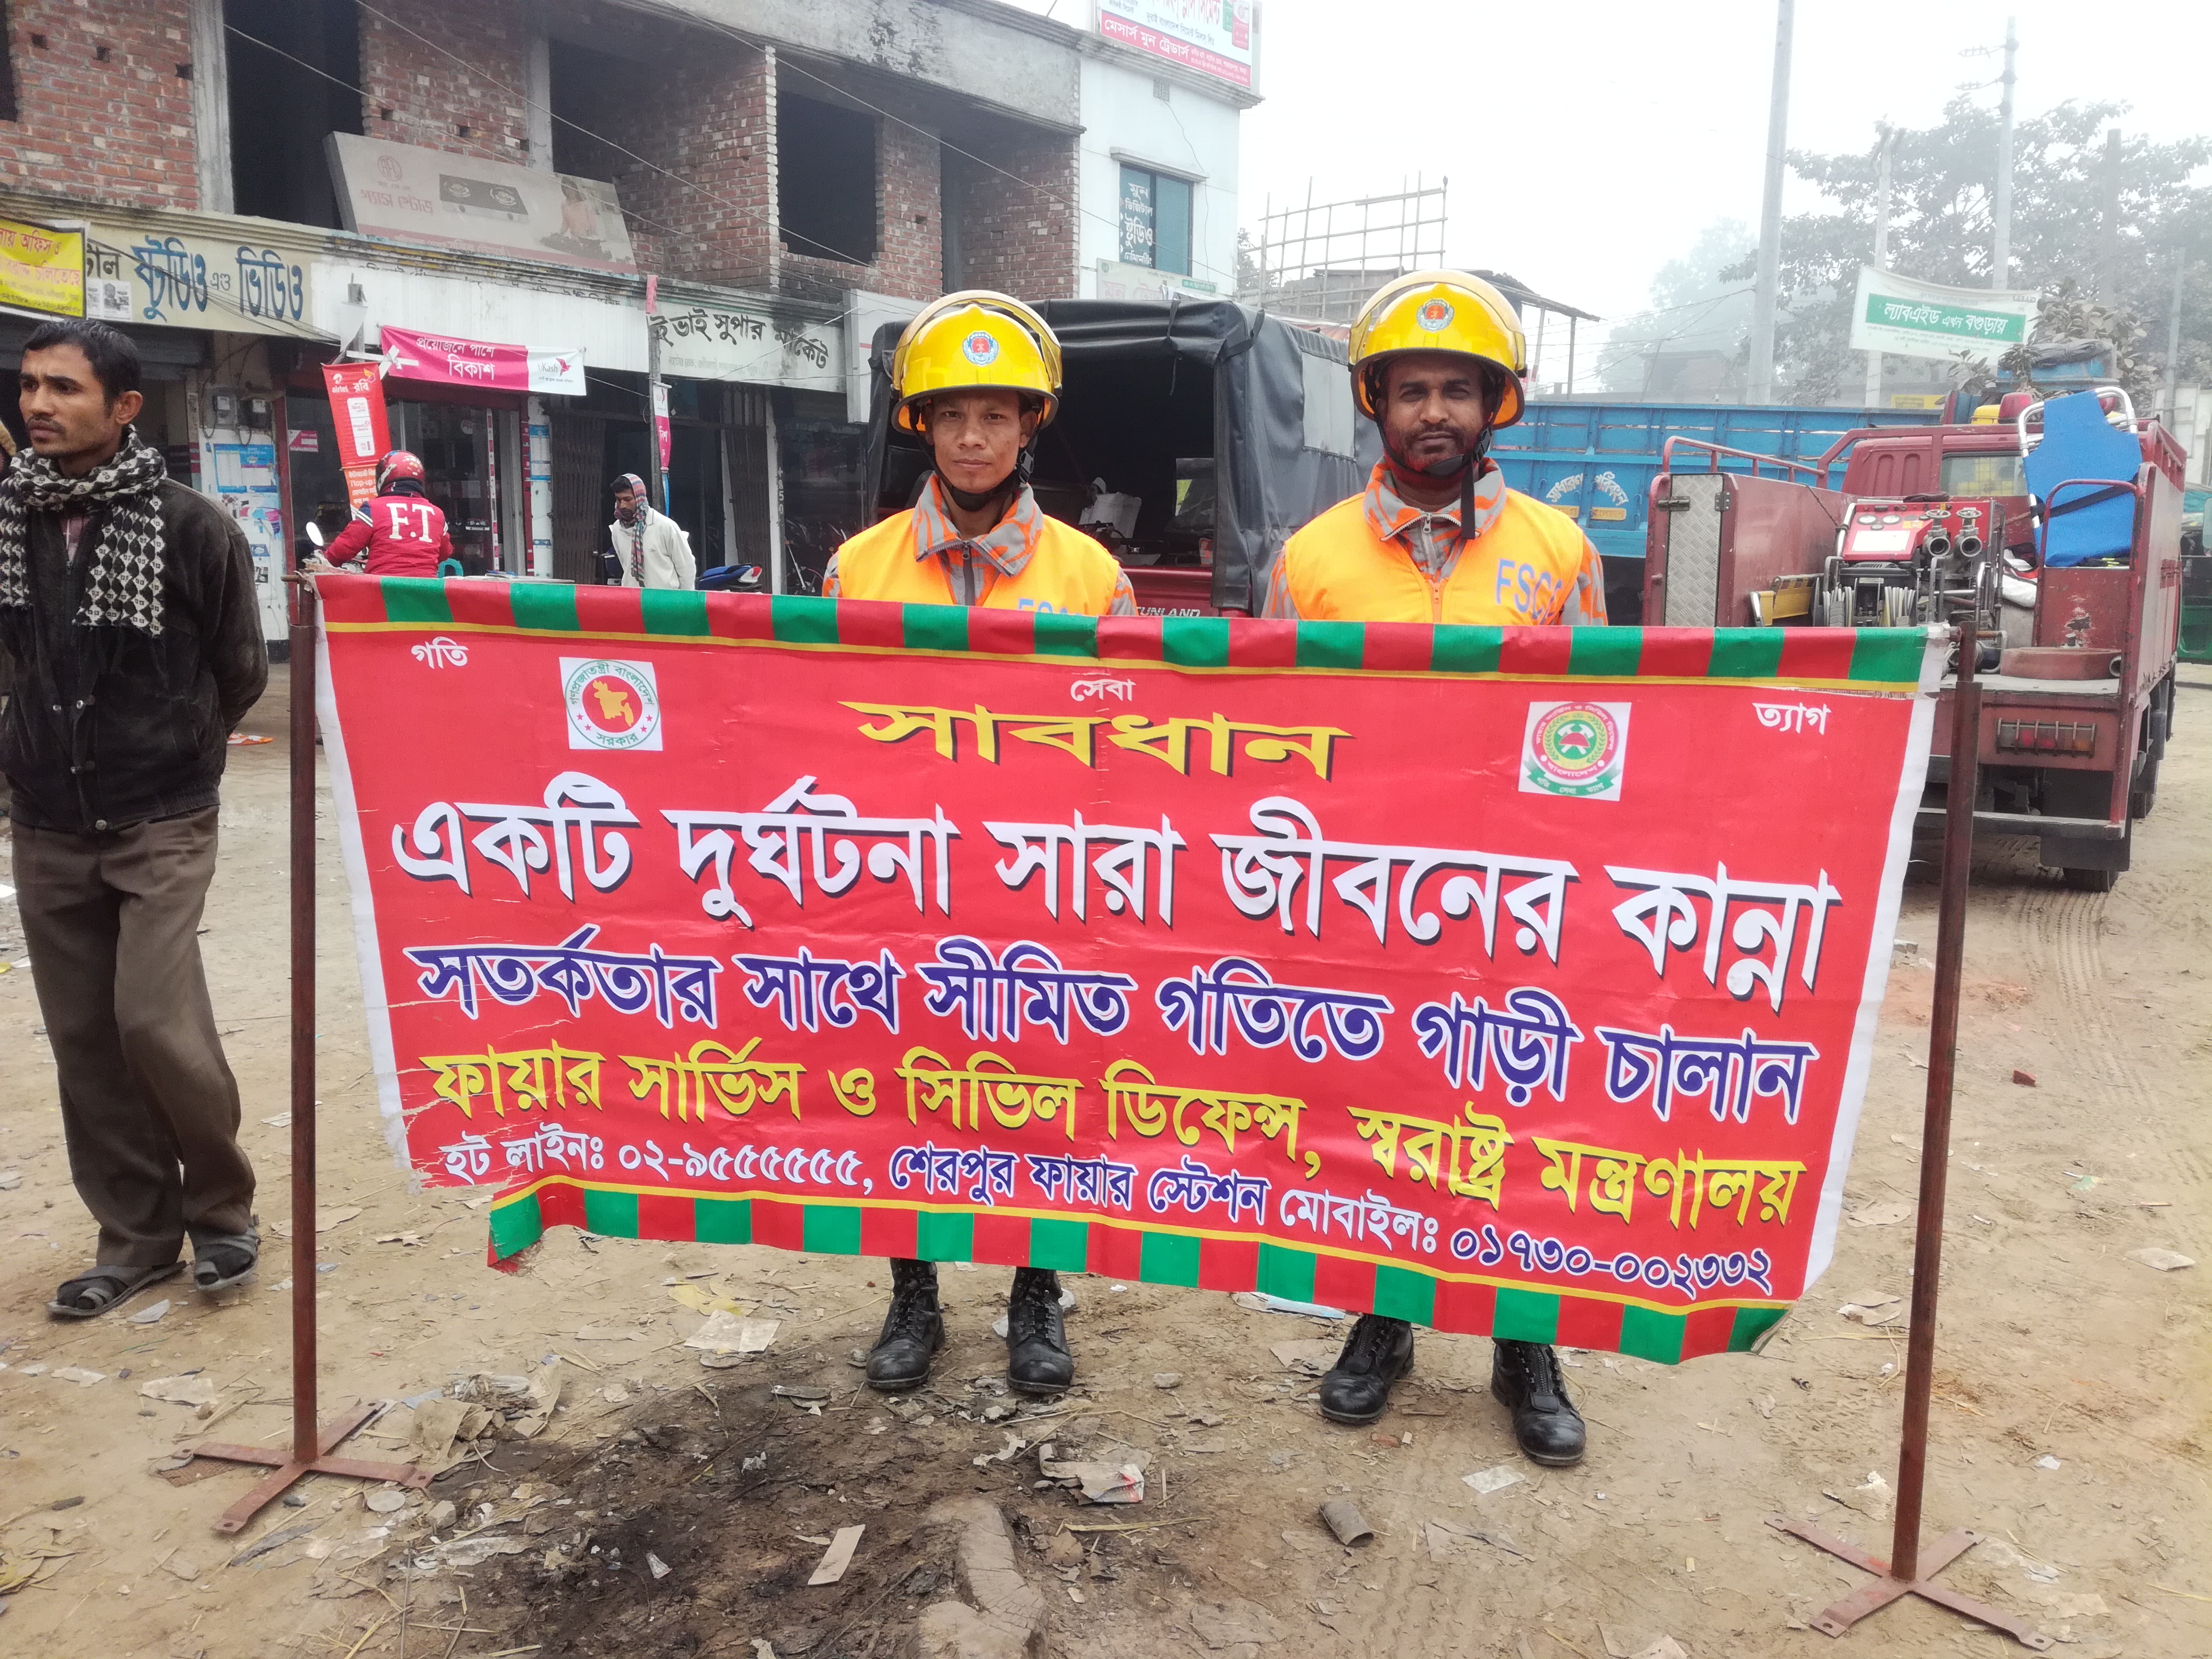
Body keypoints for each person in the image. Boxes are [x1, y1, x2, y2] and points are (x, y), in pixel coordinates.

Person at [1266, 272, 1607, 1466]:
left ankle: (1526, 1346)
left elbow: (1602, 727)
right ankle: (1383, 1322)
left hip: (1517, 894)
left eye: (1457, 390)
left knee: (1514, 1117)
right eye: (1410, 390)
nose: (1433, 413)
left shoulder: (1559, 550)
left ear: (1494, 404)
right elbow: (1272, 733)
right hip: (1364, 898)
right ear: (1376, 403)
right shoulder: (1310, 558)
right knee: (1379, 1115)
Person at [825, 290, 1133, 1396]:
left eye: (995, 415)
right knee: (905, 1091)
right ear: (920, 423)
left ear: (1029, 424)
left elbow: (1129, 743)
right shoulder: (858, 568)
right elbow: (823, 731)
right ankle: (913, 1295)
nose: (970, 438)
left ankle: (1034, 1295)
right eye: (950, 414)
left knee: (1042, 1094)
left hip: (1041, 889)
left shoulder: (1091, 578)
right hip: (901, 886)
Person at [0, 317, 267, 1318]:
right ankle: (137, 1237)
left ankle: (224, 1212)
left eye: (64, 388)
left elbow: (240, 671)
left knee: (152, 1020)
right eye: (30, 384)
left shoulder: (193, 526)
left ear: (123, 407)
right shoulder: (10, 520)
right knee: (84, 1040)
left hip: (160, 814)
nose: (38, 405)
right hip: (47, 816)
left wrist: (174, 748)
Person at [316, 450, 452, 577]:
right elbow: (445, 552)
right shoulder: (437, 514)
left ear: (384, 477)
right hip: (426, 589)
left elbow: (345, 548)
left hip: (383, 588)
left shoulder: (373, 509)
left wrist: (324, 560)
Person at [606, 473, 695, 590]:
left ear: (640, 498)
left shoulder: (665, 526)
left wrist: (685, 599)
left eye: (628, 499)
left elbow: (686, 568)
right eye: (619, 500)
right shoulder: (617, 529)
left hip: (665, 598)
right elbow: (625, 565)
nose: (622, 505)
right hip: (633, 597)